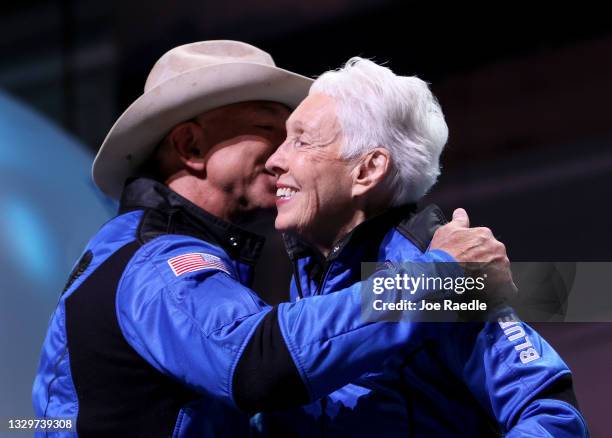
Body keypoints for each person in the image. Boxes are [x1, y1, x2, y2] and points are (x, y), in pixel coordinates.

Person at [32, 41, 513, 437]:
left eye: (299, 139)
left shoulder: (162, 258)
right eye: (269, 130)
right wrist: (442, 278)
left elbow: (539, 377)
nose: (282, 155)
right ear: (192, 147)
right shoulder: (158, 264)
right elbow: (259, 364)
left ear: (370, 168)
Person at [260, 57, 589, 437]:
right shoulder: (310, 265)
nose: (274, 160)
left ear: (367, 170)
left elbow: (552, 414)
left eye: (301, 140)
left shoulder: (443, 271)